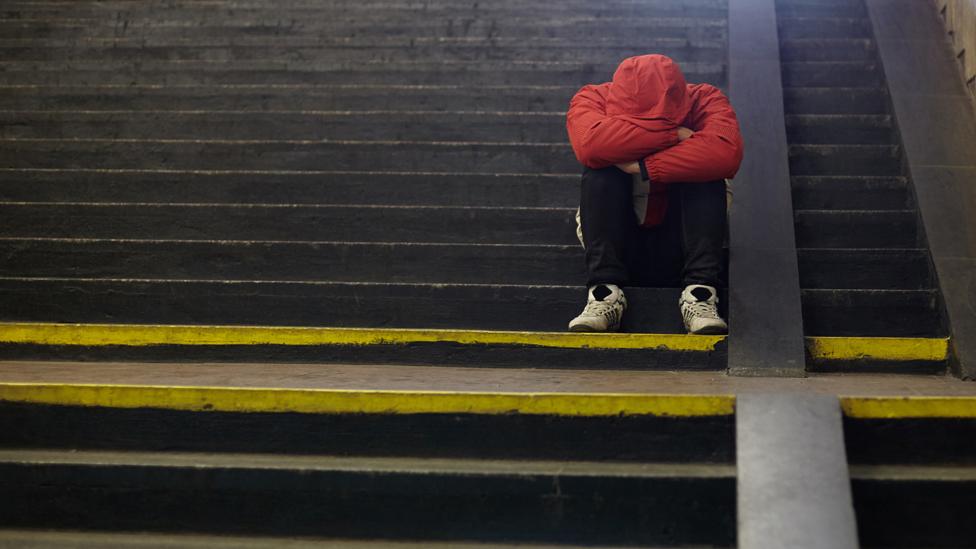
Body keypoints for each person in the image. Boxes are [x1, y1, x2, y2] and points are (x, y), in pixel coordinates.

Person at [565, 54, 743, 334]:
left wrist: (644, 165)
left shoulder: (705, 98)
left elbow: (726, 154)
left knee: (706, 172)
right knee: (600, 171)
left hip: (686, 248)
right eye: (640, 117)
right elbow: (590, 146)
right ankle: (604, 294)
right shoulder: (593, 97)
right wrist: (675, 134)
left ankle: (700, 295)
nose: (650, 120)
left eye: (659, 116)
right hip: (620, 247)